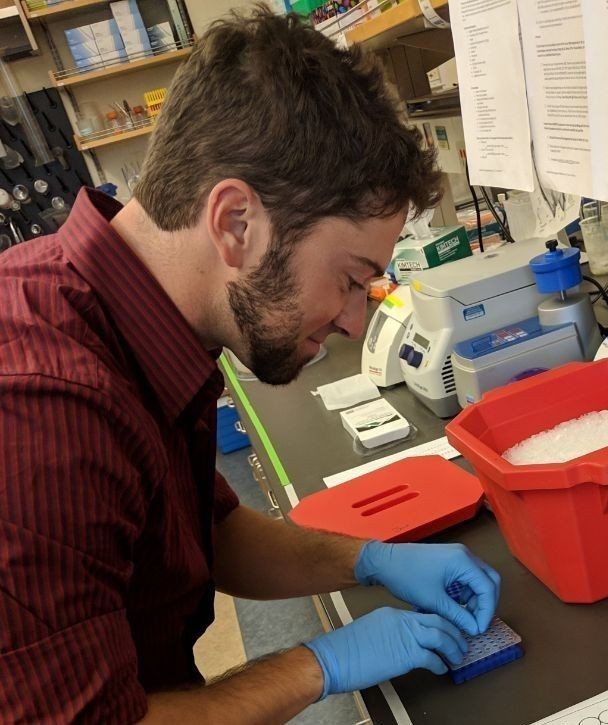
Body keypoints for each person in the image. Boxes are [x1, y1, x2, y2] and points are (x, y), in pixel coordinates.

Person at [0, 7, 500, 723]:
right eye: (351, 278)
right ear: (235, 223)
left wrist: (369, 558)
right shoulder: (42, 413)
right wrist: (317, 664)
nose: (356, 320)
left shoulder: (134, 318)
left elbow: (211, 530)